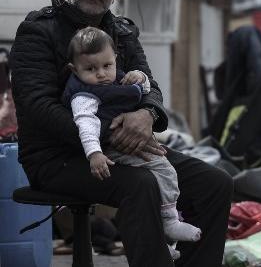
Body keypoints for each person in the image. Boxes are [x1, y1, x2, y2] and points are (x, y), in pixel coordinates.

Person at [8, 0, 233, 266]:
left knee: (214, 182)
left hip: (125, 149)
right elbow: (39, 108)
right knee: (141, 183)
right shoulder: (37, 31)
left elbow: (149, 86)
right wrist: (114, 133)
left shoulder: (122, 32)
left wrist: (147, 116)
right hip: (56, 157)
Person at [63, 27, 201, 258]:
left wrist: (141, 78)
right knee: (158, 175)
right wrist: (94, 154)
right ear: (73, 69)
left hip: (134, 143)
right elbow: (86, 126)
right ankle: (167, 225)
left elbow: (147, 90)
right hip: (109, 150)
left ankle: (165, 240)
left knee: (168, 176)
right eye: (90, 68)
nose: (100, 74)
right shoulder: (83, 95)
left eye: (107, 65)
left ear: (115, 59)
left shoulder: (118, 76)